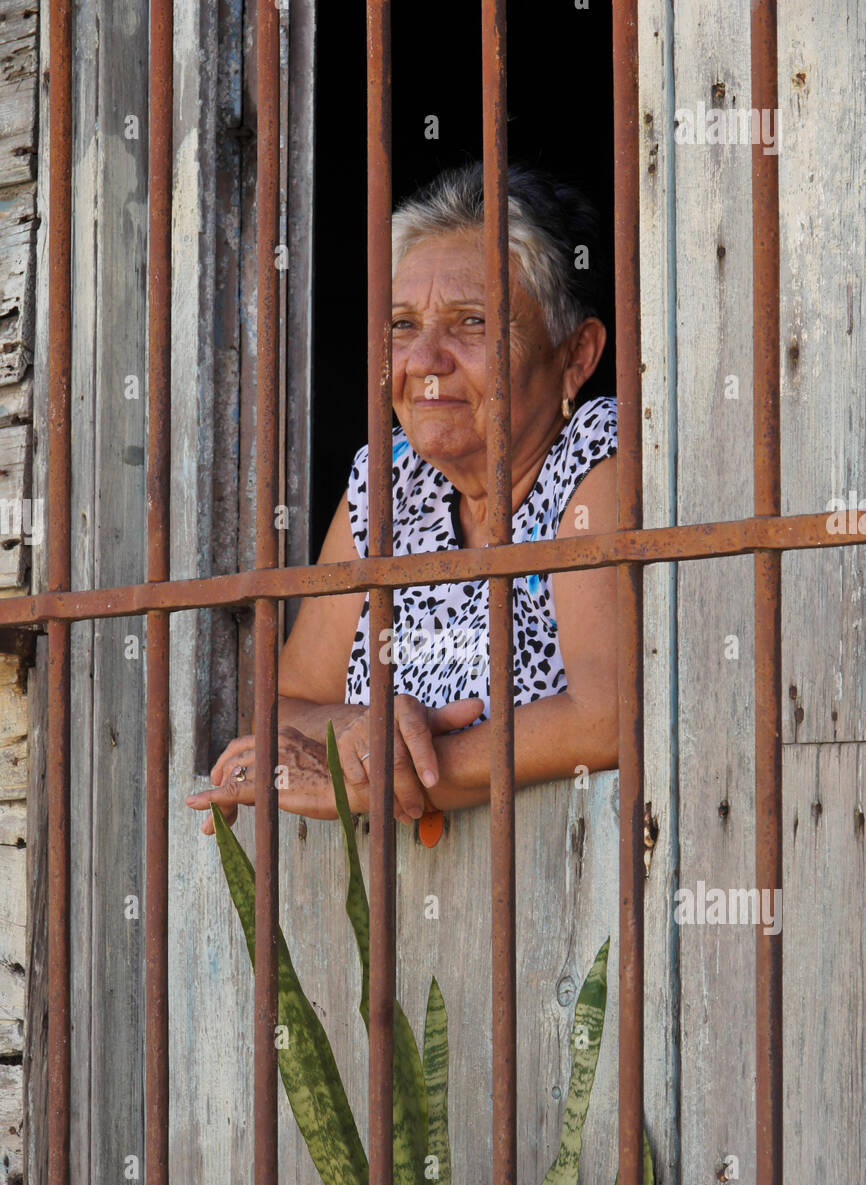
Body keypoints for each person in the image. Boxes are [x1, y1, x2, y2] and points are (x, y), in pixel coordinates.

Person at [187, 162, 618, 831]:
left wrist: (390, 778)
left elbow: (609, 717)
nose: (425, 359)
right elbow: (288, 702)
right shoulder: (387, 483)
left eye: (472, 322)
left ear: (576, 355)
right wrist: (371, 730)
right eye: (403, 324)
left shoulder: (599, 453)